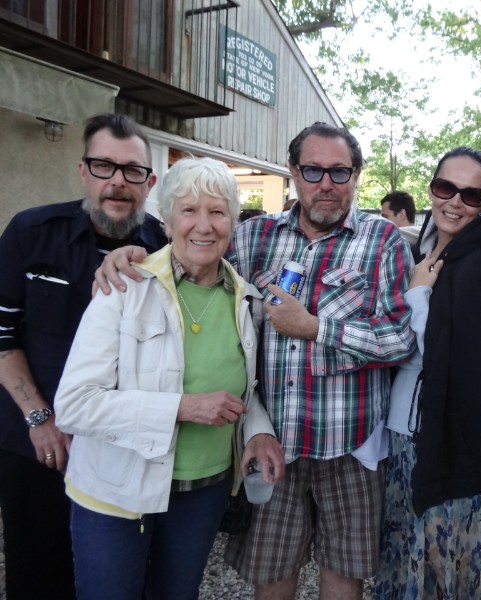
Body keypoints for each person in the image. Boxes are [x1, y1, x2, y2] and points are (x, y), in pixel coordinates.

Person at [93, 122, 415, 600]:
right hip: (271, 442)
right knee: (273, 573)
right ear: (292, 173)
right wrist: (129, 256)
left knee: (344, 574)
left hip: (350, 443)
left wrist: (318, 328)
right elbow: (190, 260)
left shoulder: (382, 242)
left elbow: (399, 340)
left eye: (339, 172)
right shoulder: (252, 237)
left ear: (356, 175)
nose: (326, 183)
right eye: (313, 170)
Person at [53, 157, 285, 599]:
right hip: (118, 494)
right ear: (167, 218)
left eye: (217, 212)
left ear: (232, 222)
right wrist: (183, 407)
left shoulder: (244, 298)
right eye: (189, 210)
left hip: (203, 492)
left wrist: (257, 433)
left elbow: (243, 391)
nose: (204, 225)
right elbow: (75, 403)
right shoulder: (124, 287)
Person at [0, 113, 168, 599]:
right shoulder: (31, 233)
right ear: (82, 172)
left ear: (149, 181)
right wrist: (39, 418)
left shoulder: (165, 248)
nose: (118, 181)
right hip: (39, 446)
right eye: (103, 166)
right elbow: (2, 338)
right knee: (38, 575)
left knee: (112, 580)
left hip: (122, 450)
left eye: (132, 170)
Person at [374, 148, 481, 598]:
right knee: (405, 561)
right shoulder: (425, 248)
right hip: (404, 439)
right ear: (431, 189)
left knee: (445, 570)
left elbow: (455, 361)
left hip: (451, 448)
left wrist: (418, 297)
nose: (454, 202)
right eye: (444, 188)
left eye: (470, 194)